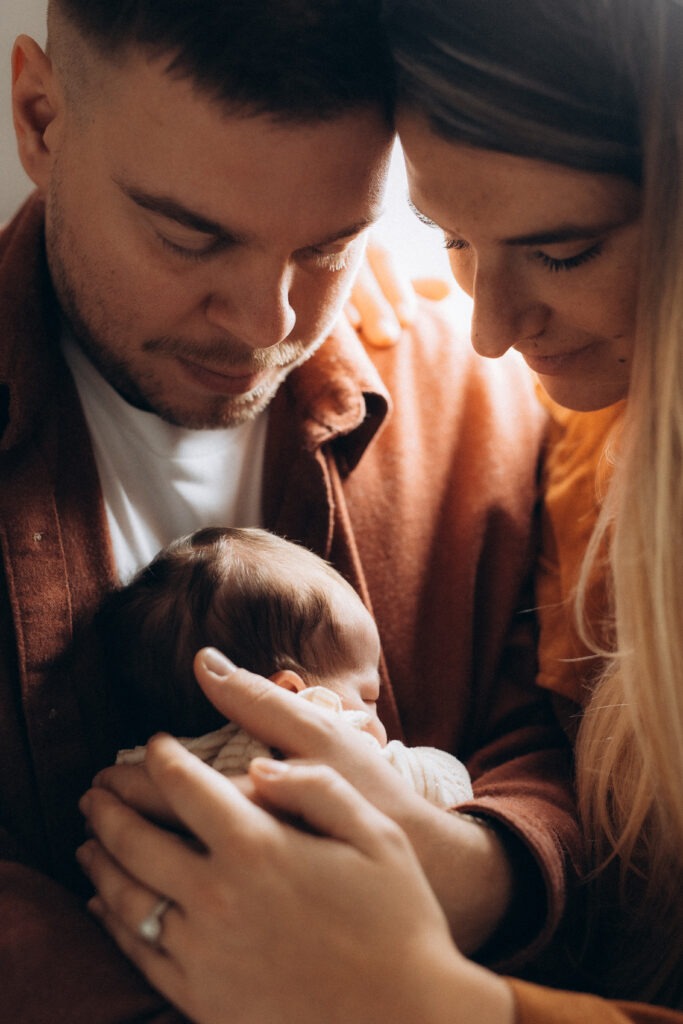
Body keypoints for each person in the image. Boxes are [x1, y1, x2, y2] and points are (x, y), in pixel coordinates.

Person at [78, 0, 683, 1021]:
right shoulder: (557, 403)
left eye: (331, 248)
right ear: (38, 119)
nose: (487, 328)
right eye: (446, 236)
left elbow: (527, 742)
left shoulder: (482, 402)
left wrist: (428, 972)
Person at [105, 526, 474, 808]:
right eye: (368, 696)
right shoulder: (328, 762)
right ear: (290, 699)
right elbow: (445, 786)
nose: (381, 721)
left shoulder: (141, 782)